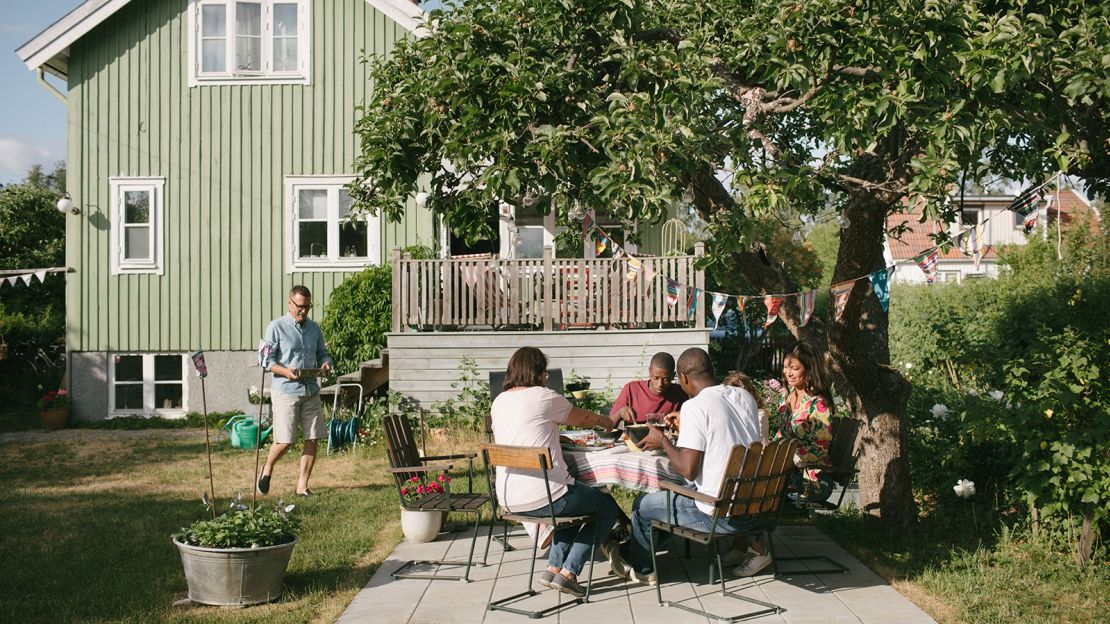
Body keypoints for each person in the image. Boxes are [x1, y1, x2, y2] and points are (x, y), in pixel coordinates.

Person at [613, 347, 765, 584]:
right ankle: (630, 550)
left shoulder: (695, 406)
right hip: (752, 507)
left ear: (682, 377)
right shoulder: (743, 396)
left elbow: (688, 469)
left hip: (718, 512)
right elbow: (723, 437)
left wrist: (662, 440)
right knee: (665, 494)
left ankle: (642, 568)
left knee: (642, 505)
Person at [490, 347, 631, 598]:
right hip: (545, 497)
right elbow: (583, 419)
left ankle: (553, 568)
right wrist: (605, 420)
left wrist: (555, 436)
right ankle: (569, 573)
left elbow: (526, 433)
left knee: (574, 503)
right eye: (544, 372)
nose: (546, 377)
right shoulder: (544, 396)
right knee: (606, 508)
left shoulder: (499, 401)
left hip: (509, 498)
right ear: (536, 372)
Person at [257, 285, 333, 497]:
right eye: (300, 306)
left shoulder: (314, 328)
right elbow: (265, 361)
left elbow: (323, 353)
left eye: (307, 307)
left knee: (313, 438)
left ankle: (302, 486)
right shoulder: (275, 327)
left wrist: (326, 364)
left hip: (310, 390)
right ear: (290, 303)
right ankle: (268, 468)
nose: (304, 311)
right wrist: (285, 371)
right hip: (286, 391)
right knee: (285, 442)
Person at [772, 341, 835, 502]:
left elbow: (820, 448)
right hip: (788, 472)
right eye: (786, 367)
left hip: (813, 480)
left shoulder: (818, 403)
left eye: (795, 368)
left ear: (809, 369)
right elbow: (782, 434)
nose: (788, 373)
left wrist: (787, 458)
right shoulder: (787, 395)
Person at [610, 352, 688, 424]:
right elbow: (607, 427)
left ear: (673, 375)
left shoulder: (680, 393)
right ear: (649, 372)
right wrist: (620, 413)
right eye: (656, 378)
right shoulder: (631, 389)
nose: (660, 384)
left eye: (666, 379)